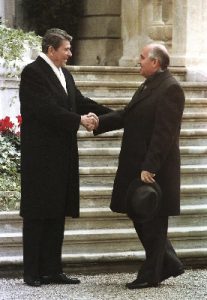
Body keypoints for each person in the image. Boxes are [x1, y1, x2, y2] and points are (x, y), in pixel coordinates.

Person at [19, 28, 110, 287]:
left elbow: (80, 102)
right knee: (38, 214)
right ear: (51, 50)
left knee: (57, 212)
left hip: (62, 156)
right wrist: (78, 120)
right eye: (66, 49)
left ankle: (53, 269)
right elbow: (45, 110)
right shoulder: (33, 73)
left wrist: (115, 116)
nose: (70, 53)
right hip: (40, 157)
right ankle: (33, 272)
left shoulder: (64, 74)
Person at [94, 43, 185, 289]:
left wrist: (150, 167)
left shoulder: (171, 88)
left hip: (154, 170)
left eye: (143, 58)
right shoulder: (150, 84)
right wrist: (98, 123)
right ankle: (169, 263)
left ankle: (151, 274)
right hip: (137, 165)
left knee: (151, 222)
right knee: (143, 217)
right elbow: (128, 115)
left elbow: (164, 134)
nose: (139, 61)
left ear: (155, 62)